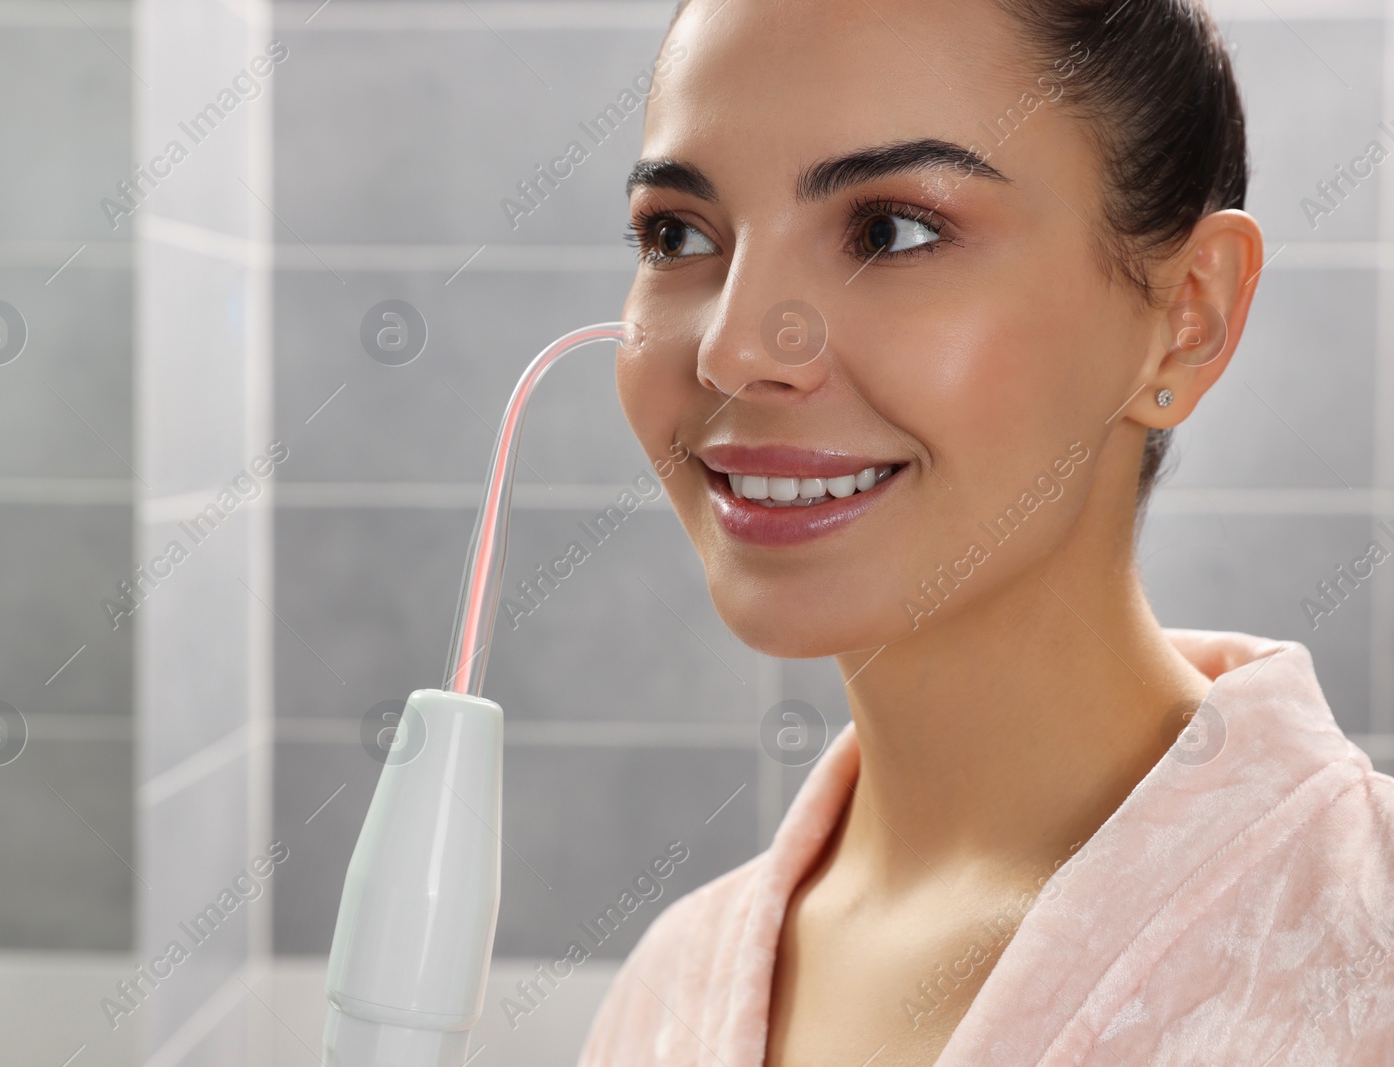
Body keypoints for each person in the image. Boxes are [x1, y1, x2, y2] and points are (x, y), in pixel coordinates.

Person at [577, 0, 1394, 1064]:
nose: (734, 349)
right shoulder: (662, 998)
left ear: (1185, 314)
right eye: (676, 233)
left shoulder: (1363, 943)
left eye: (890, 231)